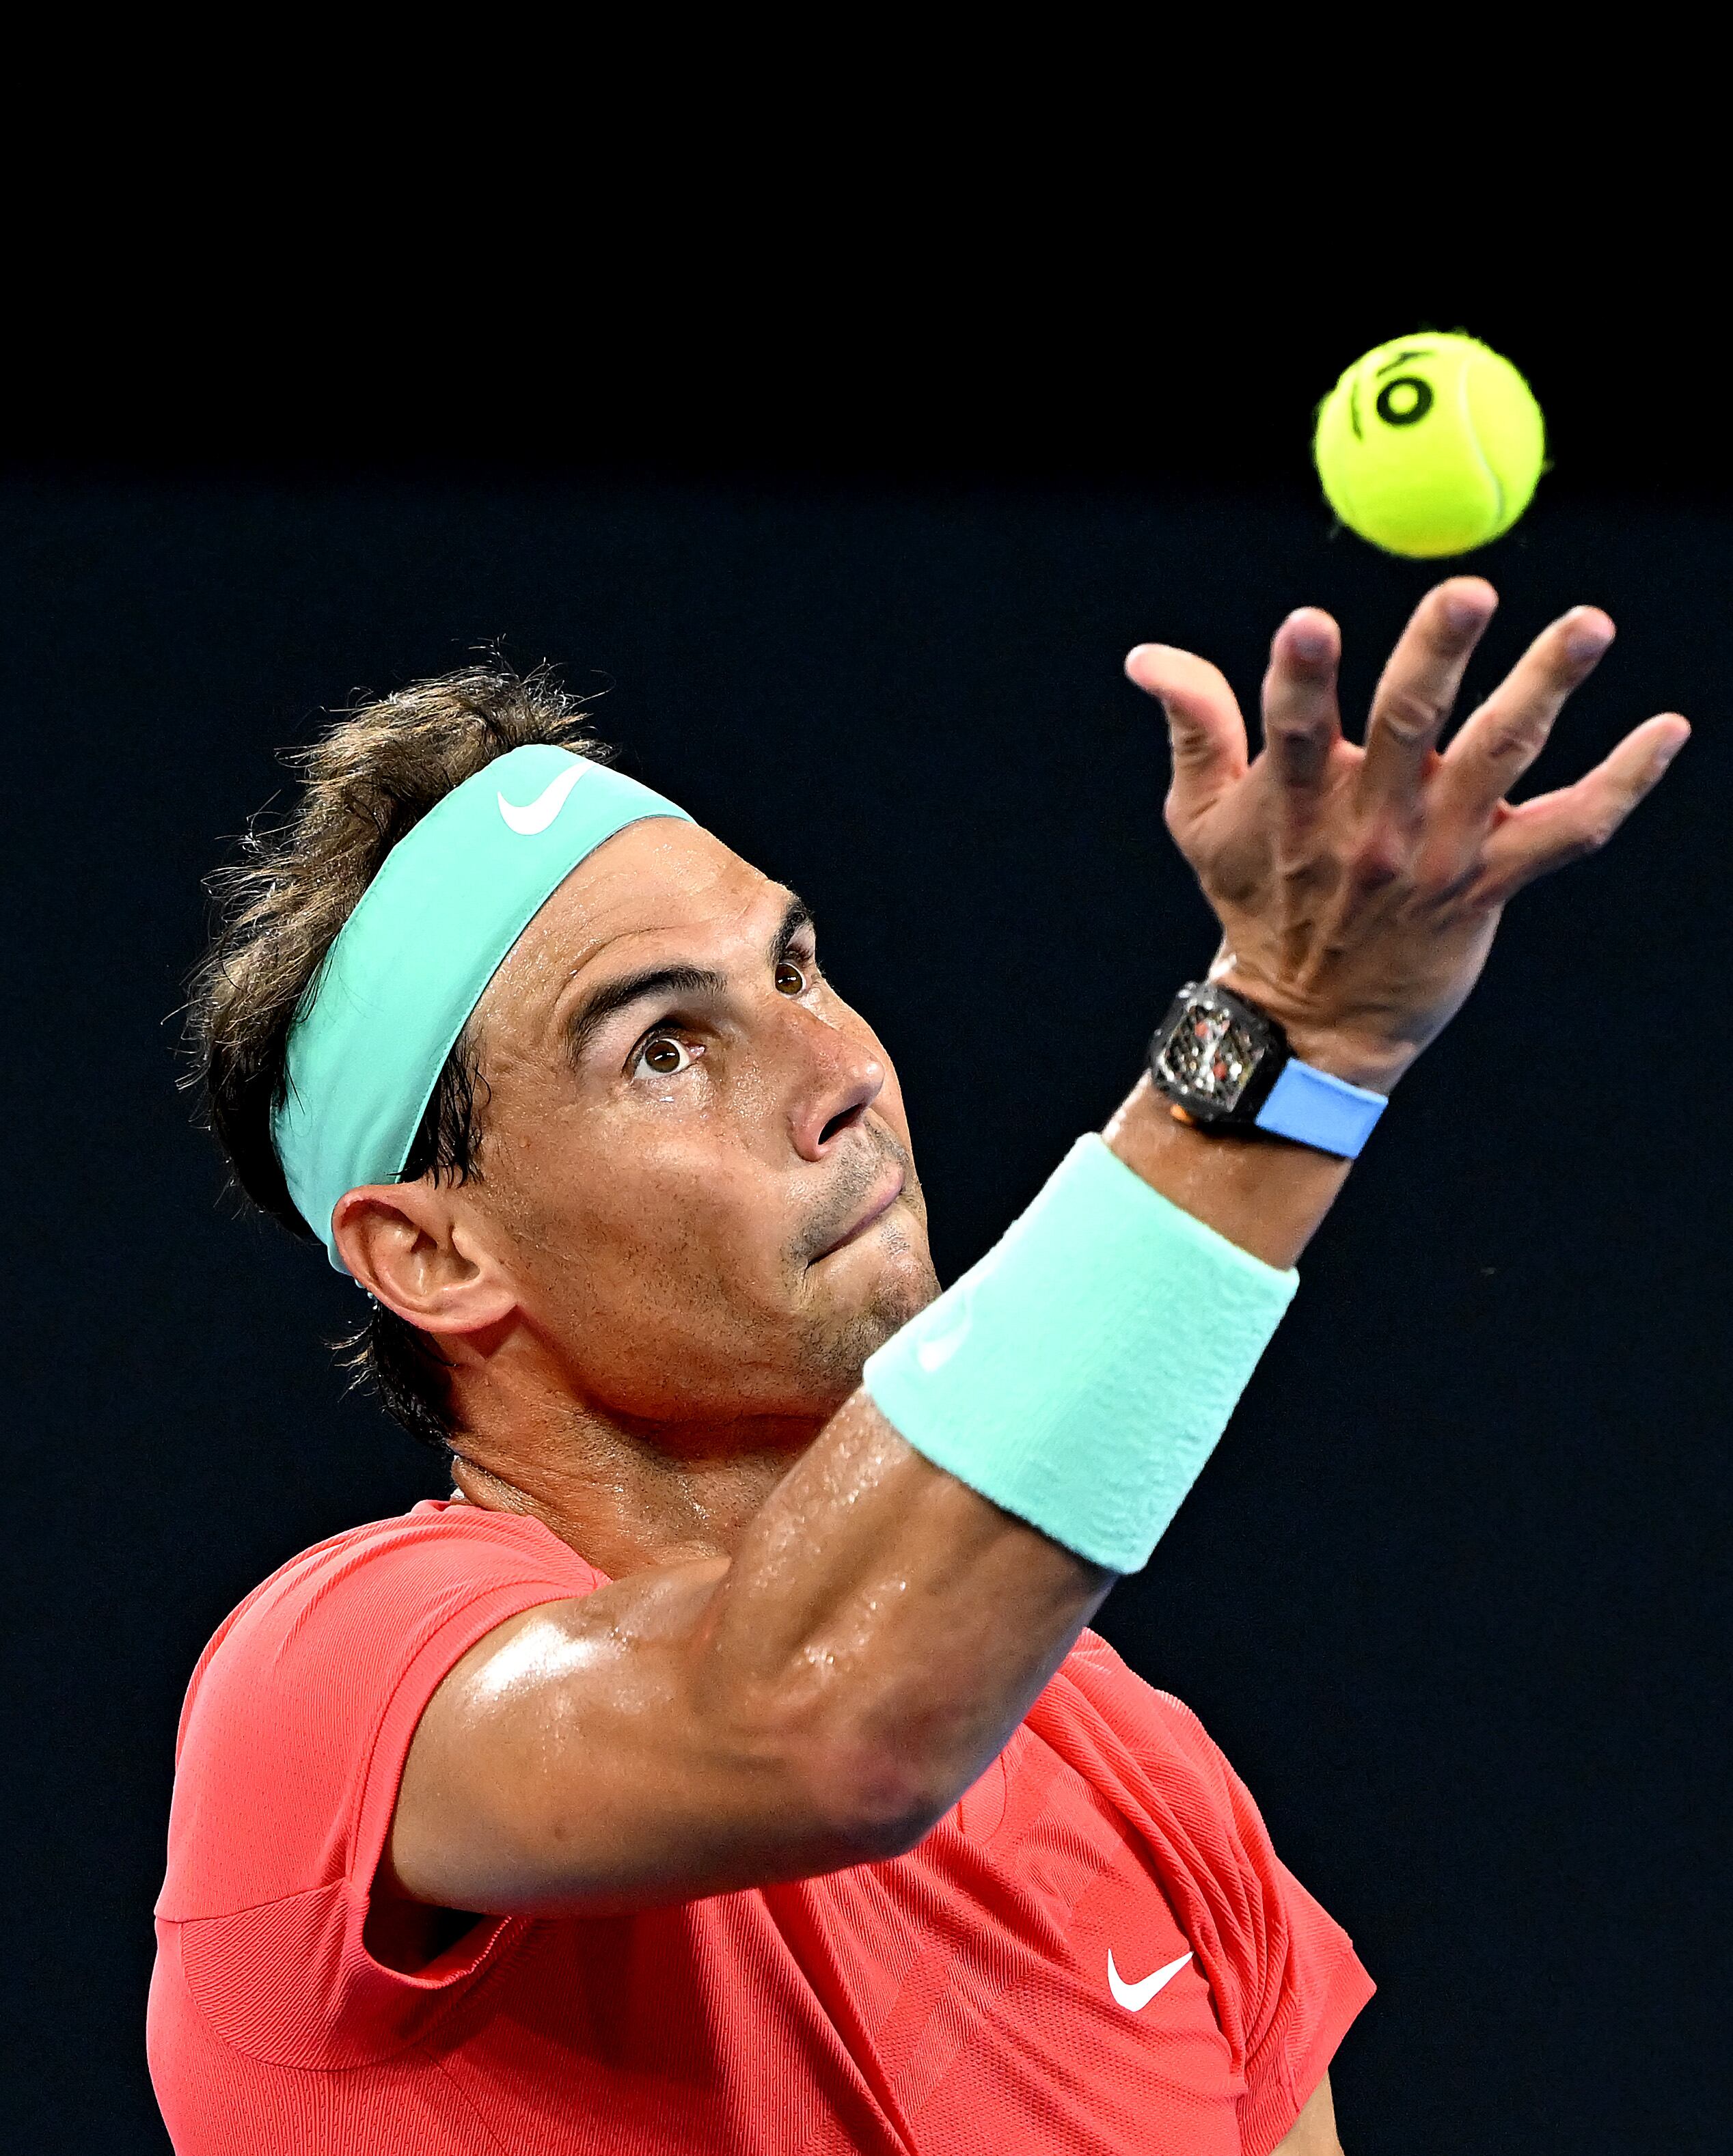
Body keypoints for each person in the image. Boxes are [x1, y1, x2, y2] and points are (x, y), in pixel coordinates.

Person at [148, 579, 1686, 2155]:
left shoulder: (1139, 1770)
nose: (842, 1078)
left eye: (798, 970)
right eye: (662, 1047)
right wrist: (1287, 1037)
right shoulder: (329, 1691)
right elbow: (815, 1720)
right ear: (436, 1255)